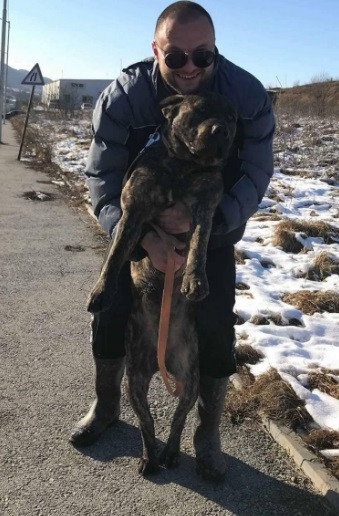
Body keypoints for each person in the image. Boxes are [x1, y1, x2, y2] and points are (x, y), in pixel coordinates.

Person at [70, 1, 275, 480]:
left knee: (215, 317)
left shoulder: (245, 95)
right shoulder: (125, 97)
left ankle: (207, 433)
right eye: (176, 56)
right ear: (155, 50)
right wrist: (145, 242)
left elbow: (257, 173)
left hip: (211, 220)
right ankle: (105, 408)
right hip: (137, 222)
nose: (189, 67)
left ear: (215, 53)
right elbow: (100, 177)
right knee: (111, 305)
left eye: (202, 56)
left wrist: (214, 223)